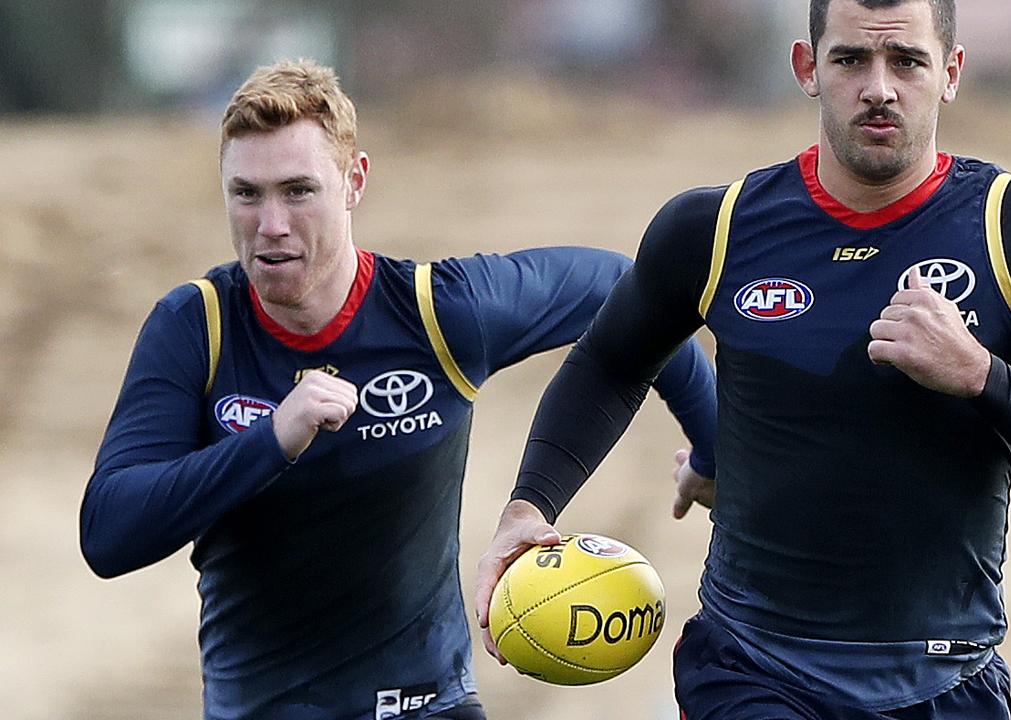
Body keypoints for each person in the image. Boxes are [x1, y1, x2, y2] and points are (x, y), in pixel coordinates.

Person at [475, 0, 1011, 717]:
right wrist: (529, 505)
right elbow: (609, 364)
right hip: (752, 669)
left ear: (950, 72)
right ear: (808, 68)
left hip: (946, 678)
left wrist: (979, 374)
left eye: (907, 61)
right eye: (850, 59)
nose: (879, 87)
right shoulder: (713, 228)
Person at [78, 59, 717, 720]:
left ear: (353, 182)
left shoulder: (437, 314)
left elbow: (630, 290)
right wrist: (270, 442)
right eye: (247, 193)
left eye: (298, 191)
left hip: (427, 706)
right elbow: (109, 533)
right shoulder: (197, 327)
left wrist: (716, 451)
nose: (270, 223)